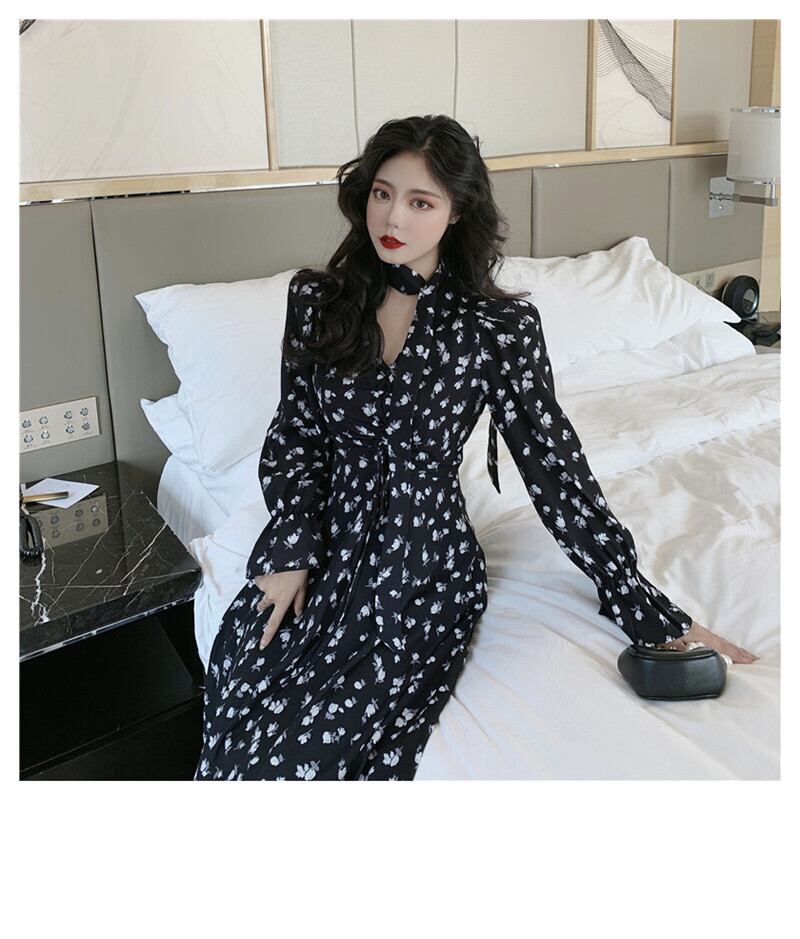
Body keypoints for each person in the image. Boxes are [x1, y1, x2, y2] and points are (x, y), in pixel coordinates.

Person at [194, 115, 757, 782]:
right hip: (323, 541)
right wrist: (291, 549)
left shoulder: (497, 328)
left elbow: (555, 470)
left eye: (420, 202)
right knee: (245, 680)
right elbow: (296, 434)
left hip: (422, 563)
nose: (392, 217)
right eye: (382, 193)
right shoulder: (318, 299)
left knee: (316, 745)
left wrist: (642, 606)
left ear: (457, 212)